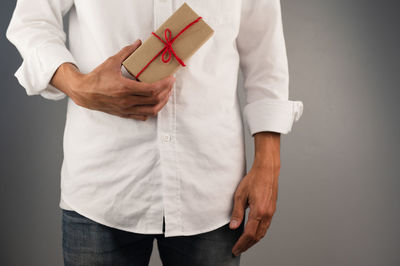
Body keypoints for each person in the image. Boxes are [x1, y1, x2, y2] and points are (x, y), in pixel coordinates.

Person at [6, 0, 304, 265]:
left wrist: (269, 164)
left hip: (211, 190)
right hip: (102, 187)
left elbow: (266, 55)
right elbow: (31, 22)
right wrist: (78, 86)